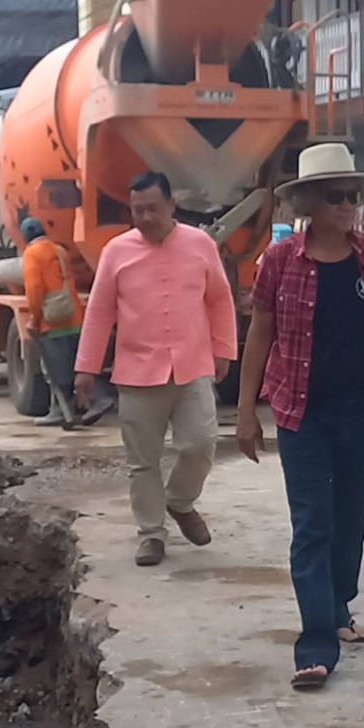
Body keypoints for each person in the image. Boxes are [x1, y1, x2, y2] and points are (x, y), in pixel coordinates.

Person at [235, 143, 364, 690]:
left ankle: (337, 606)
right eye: (336, 196)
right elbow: (260, 333)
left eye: (353, 195)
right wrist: (246, 412)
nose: (348, 204)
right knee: (313, 523)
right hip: (302, 412)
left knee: (351, 515)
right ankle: (315, 645)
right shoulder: (281, 261)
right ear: (309, 202)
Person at [74, 171, 238, 567]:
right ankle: (151, 534)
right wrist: (85, 368)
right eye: (137, 210)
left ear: (171, 206)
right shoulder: (116, 251)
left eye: (152, 208)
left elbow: (219, 298)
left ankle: (179, 502)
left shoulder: (200, 244)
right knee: (143, 462)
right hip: (137, 372)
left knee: (200, 444)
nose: (145, 217)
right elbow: (99, 312)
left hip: (192, 365)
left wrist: (224, 349)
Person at [19, 217, 85, 428]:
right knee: (72, 366)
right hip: (73, 317)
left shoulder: (32, 253)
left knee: (53, 370)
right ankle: (79, 407)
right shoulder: (60, 250)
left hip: (52, 321)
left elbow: (35, 289)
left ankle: (58, 411)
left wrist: (34, 318)